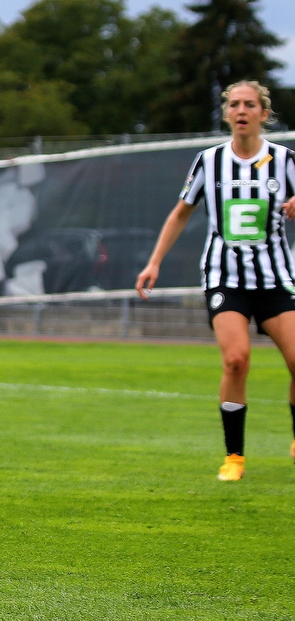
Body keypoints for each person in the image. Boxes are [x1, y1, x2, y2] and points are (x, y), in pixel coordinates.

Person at [136, 80, 295, 482]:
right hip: (226, 278)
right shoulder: (209, 161)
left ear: (264, 113)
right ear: (227, 113)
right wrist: (154, 262)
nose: (241, 111)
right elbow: (180, 214)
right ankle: (235, 457)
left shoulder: (285, 161)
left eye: (250, 105)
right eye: (234, 104)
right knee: (236, 358)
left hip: (277, 278)